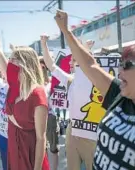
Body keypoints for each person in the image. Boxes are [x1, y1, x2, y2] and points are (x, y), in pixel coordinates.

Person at [55, 10, 135, 170]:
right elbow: (90, 64)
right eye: (121, 63)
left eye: (128, 65)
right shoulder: (119, 94)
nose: (119, 70)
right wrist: (66, 31)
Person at [0, 2, 49, 170]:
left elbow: (41, 138)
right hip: (13, 149)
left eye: (13, 59)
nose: (9, 63)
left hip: (30, 155)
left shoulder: (37, 93)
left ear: (25, 64)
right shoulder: (14, 84)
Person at [41, 35, 97, 170]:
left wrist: (86, 49)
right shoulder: (69, 80)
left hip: (92, 133)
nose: (70, 63)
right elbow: (51, 64)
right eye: (71, 60)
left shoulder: (99, 81)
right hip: (73, 131)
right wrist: (44, 44)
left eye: (74, 60)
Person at [39, 56, 60, 170]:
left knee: (53, 146)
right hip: (37, 118)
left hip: (50, 117)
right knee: (41, 146)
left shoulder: (52, 82)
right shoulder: (33, 82)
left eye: (42, 66)